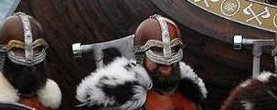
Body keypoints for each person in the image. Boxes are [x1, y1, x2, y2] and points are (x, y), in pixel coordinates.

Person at [76, 15, 206, 110]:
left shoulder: (189, 95)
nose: (167, 62)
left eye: (174, 50)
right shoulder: (117, 103)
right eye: (157, 51)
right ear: (141, 57)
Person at [0, 13, 61, 110]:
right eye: (18, 50)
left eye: (35, 50)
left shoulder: (45, 102)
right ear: (2, 54)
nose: (29, 65)